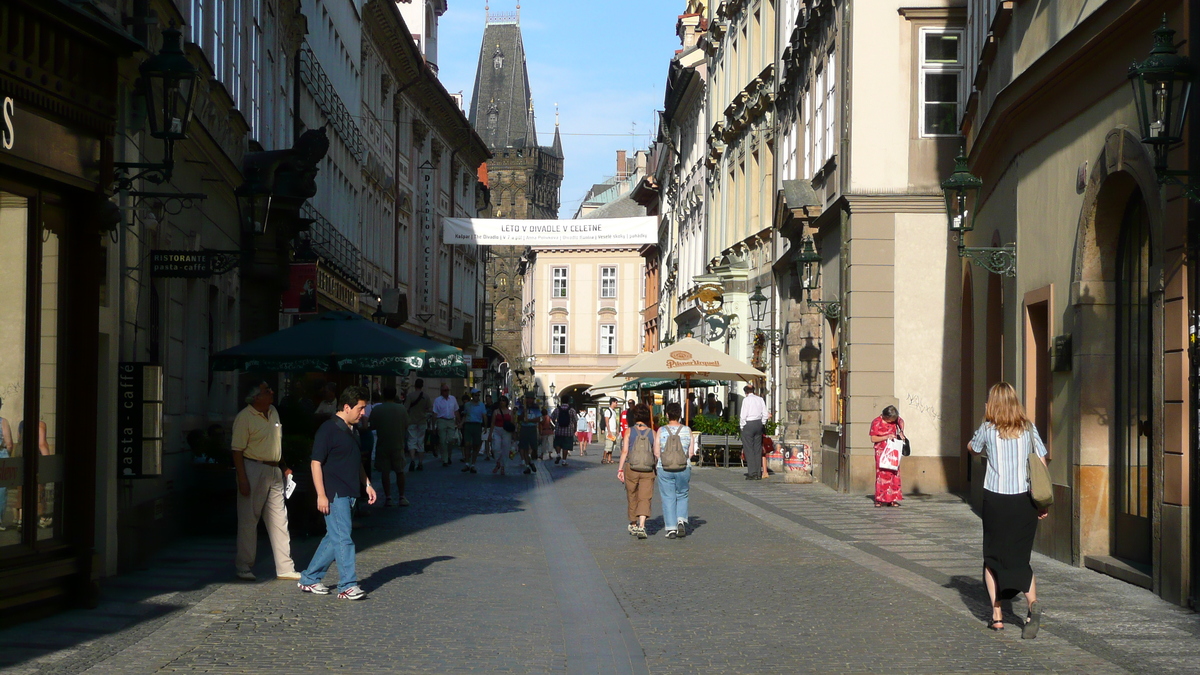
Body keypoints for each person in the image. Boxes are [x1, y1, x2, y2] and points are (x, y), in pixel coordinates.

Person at [968, 382, 1050, 638]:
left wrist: (977, 438)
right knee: (1020, 557)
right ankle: (1031, 605)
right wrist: (1042, 503)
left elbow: (973, 448)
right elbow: (1042, 460)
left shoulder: (988, 429)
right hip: (1024, 500)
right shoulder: (1028, 428)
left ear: (991, 404)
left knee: (993, 557)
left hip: (996, 500)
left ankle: (997, 616)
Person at [298, 386, 378, 600]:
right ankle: (347, 585)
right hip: (334, 493)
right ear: (346, 406)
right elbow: (315, 463)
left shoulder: (353, 430)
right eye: (360, 408)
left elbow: (356, 461)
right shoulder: (328, 429)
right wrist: (321, 495)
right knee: (343, 539)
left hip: (350, 492)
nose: (363, 413)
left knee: (333, 539)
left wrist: (367, 484)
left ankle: (309, 579)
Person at [231, 382, 299, 582]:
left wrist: (283, 465)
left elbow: (276, 442)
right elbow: (236, 450)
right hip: (253, 468)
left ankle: (285, 567)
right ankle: (243, 565)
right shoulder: (244, 417)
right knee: (248, 520)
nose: (271, 392)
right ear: (255, 398)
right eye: (266, 391)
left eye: (270, 389)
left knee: (280, 519)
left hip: (274, 469)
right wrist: (242, 478)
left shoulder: (273, 412)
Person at [617, 403, 657, 539]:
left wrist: (620, 469)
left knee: (632, 494)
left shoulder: (629, 431)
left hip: (631, 467)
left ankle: (633, 523)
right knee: (645, 497)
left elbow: (624, 451)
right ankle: (642, 525)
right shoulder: (653, 433)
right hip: (648, 469)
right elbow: (656, 453)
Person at [657, 402, 694, 539]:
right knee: (682, 494)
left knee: (668, 497)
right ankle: (681, 520)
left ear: (667, 415)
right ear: (680, 415)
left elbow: (656, 452)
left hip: (664, 467)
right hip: (683, 467)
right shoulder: (687, 430)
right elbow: (691, 452)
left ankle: (671, 528)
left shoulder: (661, 430)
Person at [371, 387, 410, 507]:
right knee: (400, 471)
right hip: (397, 443)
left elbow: (372, 425)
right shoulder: (401, 409)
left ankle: (388, 497)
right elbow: (406, 425)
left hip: (383, 443)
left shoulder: (377, 409)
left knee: (385, 472)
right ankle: (402, 496)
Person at [869, 405, 906, 507]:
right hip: (881, 452)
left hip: (893, 451)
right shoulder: (876, 422)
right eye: (890, 420)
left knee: (894, 474)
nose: (891, 422)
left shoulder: (895, 420)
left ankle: (893, 499)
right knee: (882, 475)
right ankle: (879, 499)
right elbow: (873, 439)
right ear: (885, 416)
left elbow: (901, 421)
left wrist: (901, 432)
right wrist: (886, 437)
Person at [739, 384, 769, 480]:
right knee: (757, 449)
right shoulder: (760, 399)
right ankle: (758, 473)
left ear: (746, 392)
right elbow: (765, 413)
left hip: (749, 423)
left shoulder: (746, 400)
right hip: (758, 423)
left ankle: (752, 473)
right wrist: (762, 422)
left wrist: (742, 426)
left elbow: (743, 414)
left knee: (749, 449)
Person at [405, 379, 431, 471]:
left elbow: (406, 409)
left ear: (414, 385)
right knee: (420, 442)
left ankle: (412, 459)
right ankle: (420, 463)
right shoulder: (426, 396)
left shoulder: (410, 396)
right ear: (422, 386)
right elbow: (429, 409)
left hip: (411, 421)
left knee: (412, 441)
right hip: (422, 421)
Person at [433, 384, 461, 467]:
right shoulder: (437, 400)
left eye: (448, 390)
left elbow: (456, 411)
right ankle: (445, 459)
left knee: (451, 440)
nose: (447, 392)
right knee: (442, 441)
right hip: (441, 420)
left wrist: (459, 421)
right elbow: (435, 413)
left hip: (451, 421)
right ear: (441, 391)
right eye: (445, 390)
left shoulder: (453, 399)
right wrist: (433, 425)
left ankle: (449, 455)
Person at [515, 392, 543, 474]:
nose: (529, 400)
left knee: (533, 446)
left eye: (531, 398)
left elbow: (538, 419)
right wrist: (523, 413)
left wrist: (529, 420)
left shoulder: (535, 407)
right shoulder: (522, 407)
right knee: (524, 447)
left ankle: (530, 459)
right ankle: (527, 465)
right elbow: (518, 418)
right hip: (524, 428)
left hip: (532, 427)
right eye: (528, 398)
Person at [461, 390, 487, 474]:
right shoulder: (467, 405)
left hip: (477, 425)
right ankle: (467, 463)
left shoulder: (481, 405)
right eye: (476, 395)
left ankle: (473, 464)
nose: (477, 397)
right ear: (472, 396)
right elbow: (465, 416)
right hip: (468, 425)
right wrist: (461, 423)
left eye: (478, 395)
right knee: (467, 444)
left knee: (476, 445)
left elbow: (484, 416)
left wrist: (485, 426)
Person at [490, 396, 516, 475]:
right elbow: (493, 423)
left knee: (505, 449)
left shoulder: (510, 412)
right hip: (497, 430)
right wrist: (490, 434)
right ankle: (498, 462)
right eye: (500, 400)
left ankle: (503, 466)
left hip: (506, 431)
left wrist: (514, 433)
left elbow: (512, 423)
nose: (502, 402)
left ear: (506, 402)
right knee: (496, 448)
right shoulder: (496, 412)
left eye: (503, 401)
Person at [551, 398, 579, 467]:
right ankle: (564, 461)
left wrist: (555, 425)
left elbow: (551, 418)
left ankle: (558, 454)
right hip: (568, 431)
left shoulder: (557, 409)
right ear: (568, 401)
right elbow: (575, 420)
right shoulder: (571, 410)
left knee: (557, 443)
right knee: (565, 446)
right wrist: (574, 429)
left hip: (558, 430)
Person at [601, 398, 620, 464]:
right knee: (608, 445)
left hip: (613, 430)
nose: (617, 404)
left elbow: (615, 421)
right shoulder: (608, 411)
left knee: (612, 445)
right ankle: (604, 458)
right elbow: (607, 421)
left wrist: (617, 430)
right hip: (610, 431)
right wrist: (609, 431)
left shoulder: (614, 411)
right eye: (616, 402)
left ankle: (609, 459)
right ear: (613, 402)